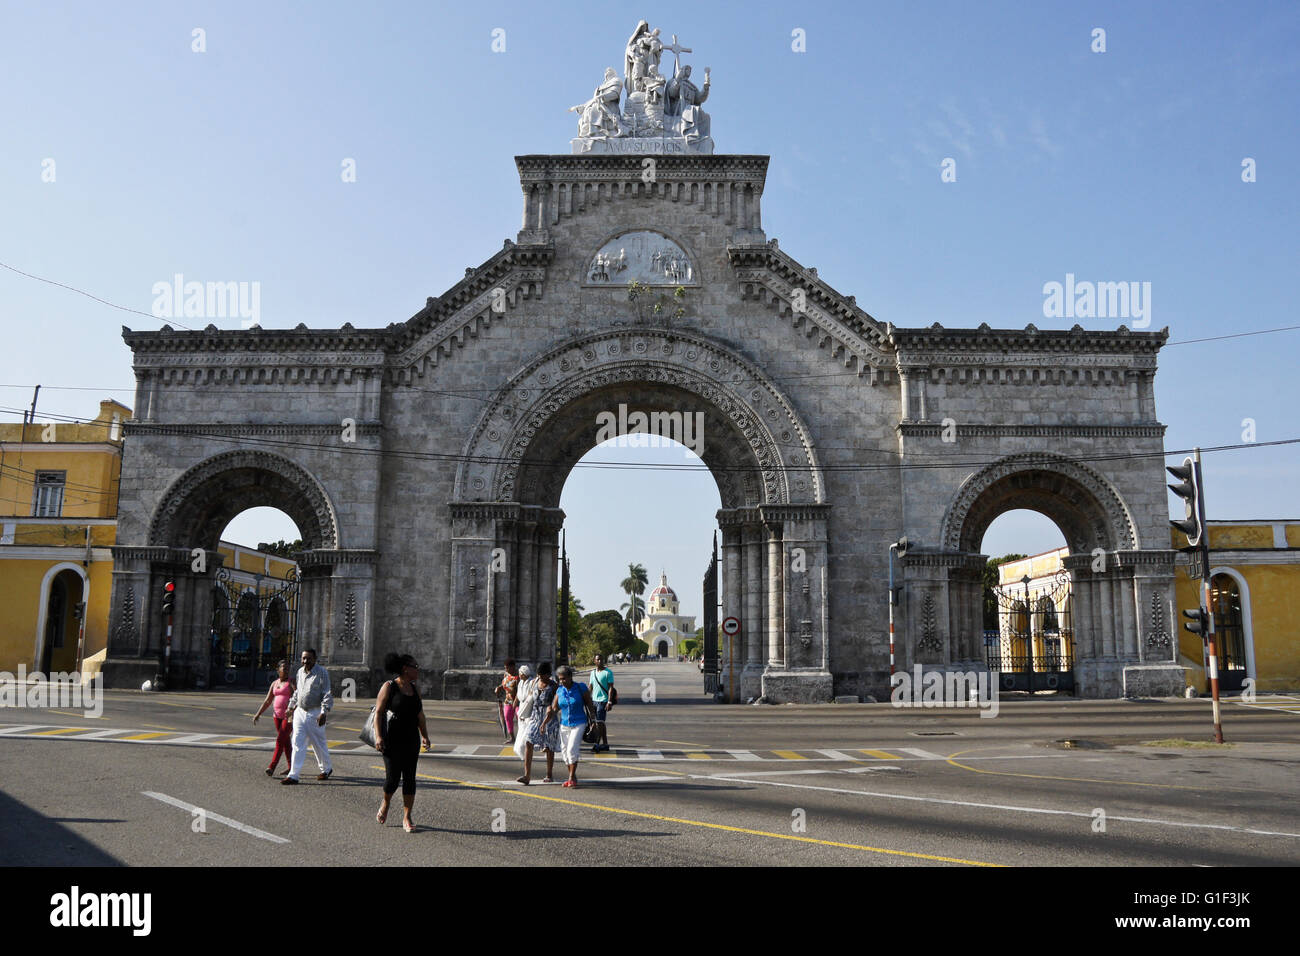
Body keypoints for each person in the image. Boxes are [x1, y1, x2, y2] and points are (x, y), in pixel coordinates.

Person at [374, 653, 432, 833]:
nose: (418, 670)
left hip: (411, 740)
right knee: (392, 779)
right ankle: (386, 802)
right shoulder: (389, 687)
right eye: (416, 667)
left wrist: (425, 736)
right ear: (406, 669)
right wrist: (378, 736)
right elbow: (378, 713)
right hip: (392, 739)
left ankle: (407, 817)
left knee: (409, 779)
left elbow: (420, 715)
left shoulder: (415, 689)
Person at [282, 648, 333, 785]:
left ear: (315, 659)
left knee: (318, 743)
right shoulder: (300, 672)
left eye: (308, 659)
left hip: (315, 712)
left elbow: (326, 693)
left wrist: (324, 712)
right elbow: (297, 693)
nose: (305, 661)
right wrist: (291, 707)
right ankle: (294, 775)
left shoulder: (322, 673)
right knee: (297, 742)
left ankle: (326, 768)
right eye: (303, 658)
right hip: (300, 711)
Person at [542, 665, 594, 788]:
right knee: (565, 752)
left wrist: (594, 721)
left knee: (571, 749)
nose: (562, 681)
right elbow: (555, 709)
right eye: (560, 679)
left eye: (564, 678)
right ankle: (572, 775)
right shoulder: (560, 690)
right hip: (564, 724)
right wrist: (545, 721)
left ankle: (571, 778)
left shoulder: (580, 688)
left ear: (570, 677)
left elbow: (590, 704)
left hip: (579, 723)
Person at [515, 661, 558, 785]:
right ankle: (527, 775)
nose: (540, 677)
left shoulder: (554, 686)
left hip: (549, 717)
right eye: (538, 674)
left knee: (549, 746)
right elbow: (529, 699)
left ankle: (549, 774)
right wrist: (523, 712)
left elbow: (557, 703)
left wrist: (552, 708)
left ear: (549, 674)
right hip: (535, 716)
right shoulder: (534, 682)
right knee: (528, 741)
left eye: (542, 675)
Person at [252, 659, 294, 776]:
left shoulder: (292, 682)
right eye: (284, 668)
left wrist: (292, 710)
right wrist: (258, 714)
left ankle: (272, 766)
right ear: (278, 670)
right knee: (285, 742)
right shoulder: (274, 683)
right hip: (277, 716)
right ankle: (291, 767)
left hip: (289, 717)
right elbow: (267, 701)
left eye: (288, 668)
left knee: (280, 740)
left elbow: (298, 698)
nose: (286, 670)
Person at [588, 654, 616, 753]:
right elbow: (590, 687)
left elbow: (611, 688)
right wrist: (587, 699)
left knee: (599, 722)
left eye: (601, 659)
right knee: (600, 723)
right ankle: (605, 744)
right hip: (593, 701)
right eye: (597, 660)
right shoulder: (592, 673)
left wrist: (609, 701)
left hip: (603, 701)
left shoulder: (608, 672)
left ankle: (597, 744)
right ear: (594, 661)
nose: (599, 661)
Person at [493, 659, 521, 743]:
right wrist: (499, 687)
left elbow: (521, 690)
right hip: (508, 701)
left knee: (520, 719)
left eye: (507, 668)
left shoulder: (518, 677)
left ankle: (521, 738)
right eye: (505, 668)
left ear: (513, 667)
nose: (506, 669)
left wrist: (516, 701)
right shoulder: (506, 674)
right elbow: (505, 684)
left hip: (518, 702)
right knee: (507, 717)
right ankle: (512, 737)